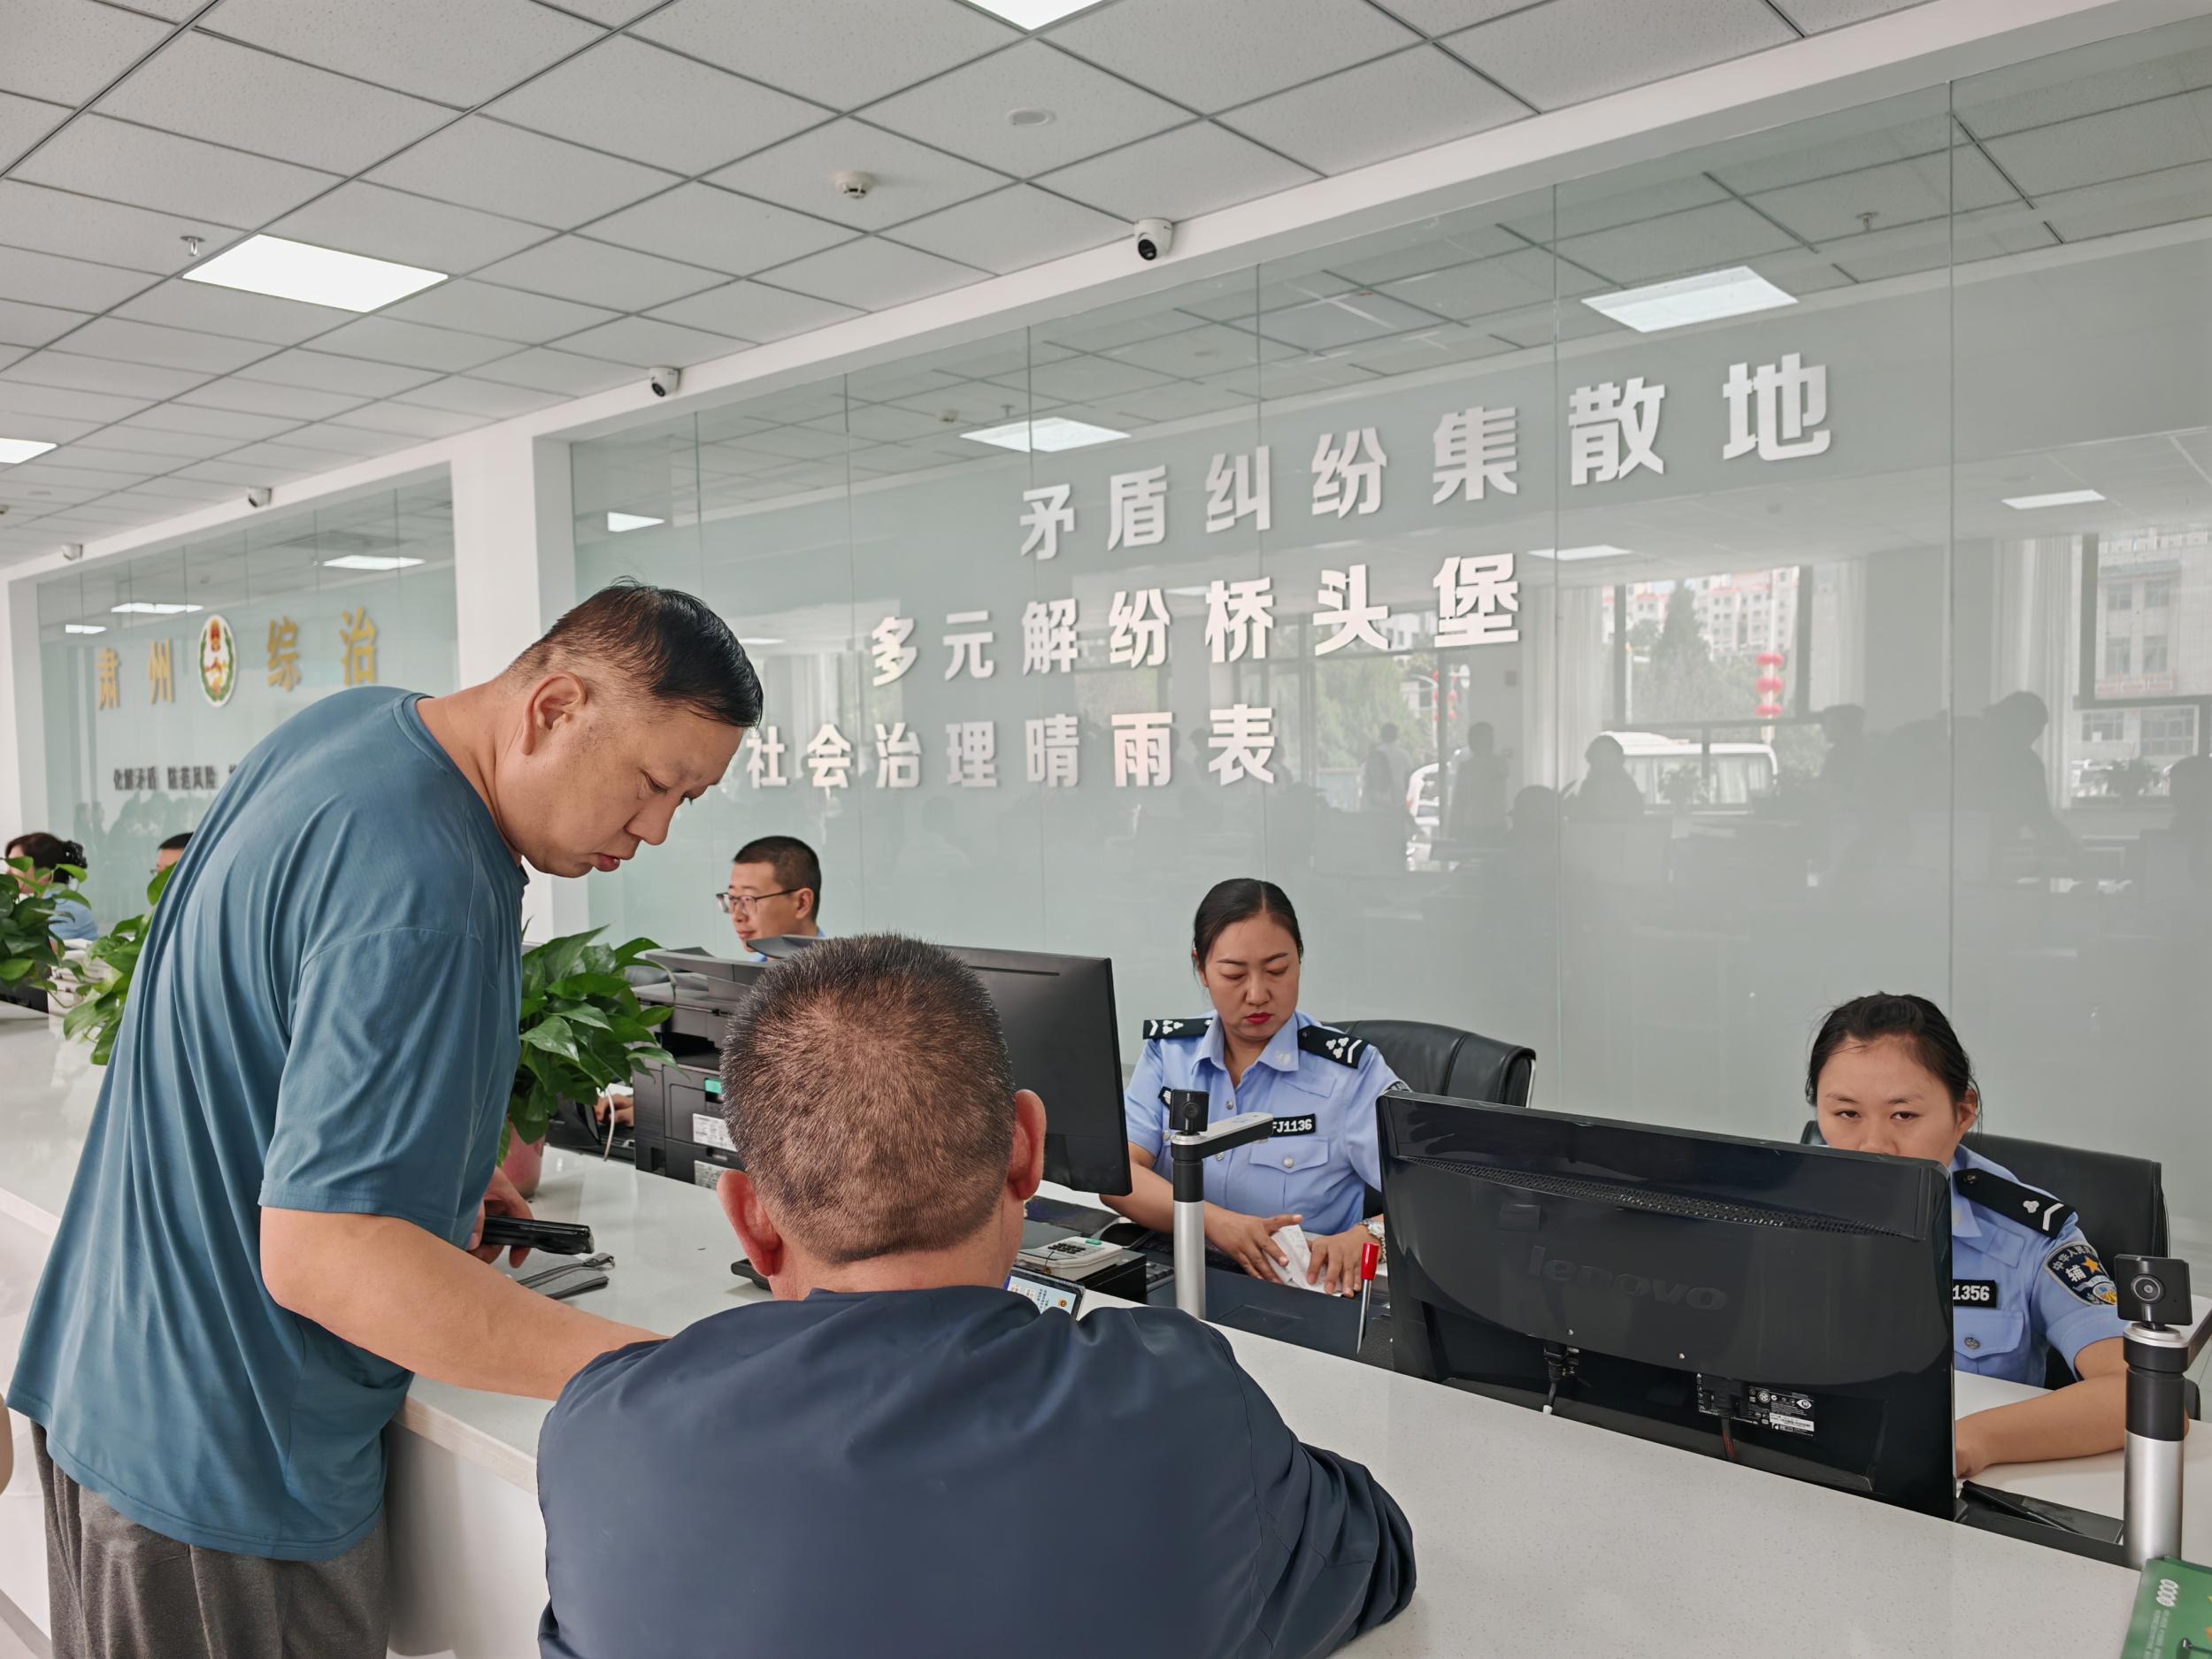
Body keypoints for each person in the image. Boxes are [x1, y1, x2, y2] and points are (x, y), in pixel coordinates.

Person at [11, 581, 761, 1659]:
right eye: (652, 783)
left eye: (687, 801)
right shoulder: (430, 883)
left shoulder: (352, 732)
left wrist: (433, 1165)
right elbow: (326, 1260)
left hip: (114, 1383)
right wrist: (672, 1373)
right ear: (553, 708)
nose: (655, 829)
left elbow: (254, 1027)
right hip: (229, 1468)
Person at [536, 934, 1415, 1659]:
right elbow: (1372, 1552)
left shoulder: (604, 1443)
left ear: (751, 1224)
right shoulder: (1182, 1406)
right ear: (1027, 1153)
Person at [1806, 992, 2127, 1479]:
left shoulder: (2030, 1234)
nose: (1874, 1146)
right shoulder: (1774, 1210)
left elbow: (2139, 1396)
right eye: (1847, 1114)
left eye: (1903, 1115)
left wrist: (1969, 1442)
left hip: (1956, 1486)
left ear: (1962, 1113)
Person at [1102, 879, 1405, 1294]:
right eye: (1234, 974)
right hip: (1175, 1276)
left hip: (1298, 1291)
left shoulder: (1350, 1073)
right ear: (1201, 969)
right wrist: (1214, 1222)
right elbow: (1118, 1178)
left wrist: (1369, 1235)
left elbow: (1434, 1196)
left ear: (1299, 959)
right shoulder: (1170, 1053)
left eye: (1277, 970)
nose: (1258, 994)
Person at [720, 833, 823, 964]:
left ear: (802, 903)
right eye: (732, 898)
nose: (737, 917)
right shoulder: (754, 968)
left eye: (748, 899)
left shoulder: (841, 974)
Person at [7, 832, 95, 942]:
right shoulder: (42, 903)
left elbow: (42, 949)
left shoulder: (64, 908)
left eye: (16, 865)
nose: (8, 872)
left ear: (45, 873)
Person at [1445, 720, 1509, 841]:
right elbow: (1459, 800)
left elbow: (1459, 802)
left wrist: (1453, 829)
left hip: (1485, 824)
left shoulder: (1498, 764)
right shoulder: (1499, 764)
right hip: (1482, 825)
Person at [1566, 734, 1644, 821]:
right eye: (1600, 753)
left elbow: (1635, 815)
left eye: (1610, 753)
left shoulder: (1627, 785)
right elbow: (1581, 819)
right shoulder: (1587, 786)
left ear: (1619, 758)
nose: (1605, 758)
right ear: (1593, 759)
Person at [1362, 721, 1413, 818]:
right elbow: (1409, 778)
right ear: (1396, 736)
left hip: (1376, 804)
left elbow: (1366, 778)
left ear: (1381, 736)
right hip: (1399, 802)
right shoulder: (1403, 756)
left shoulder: (1374, 755)